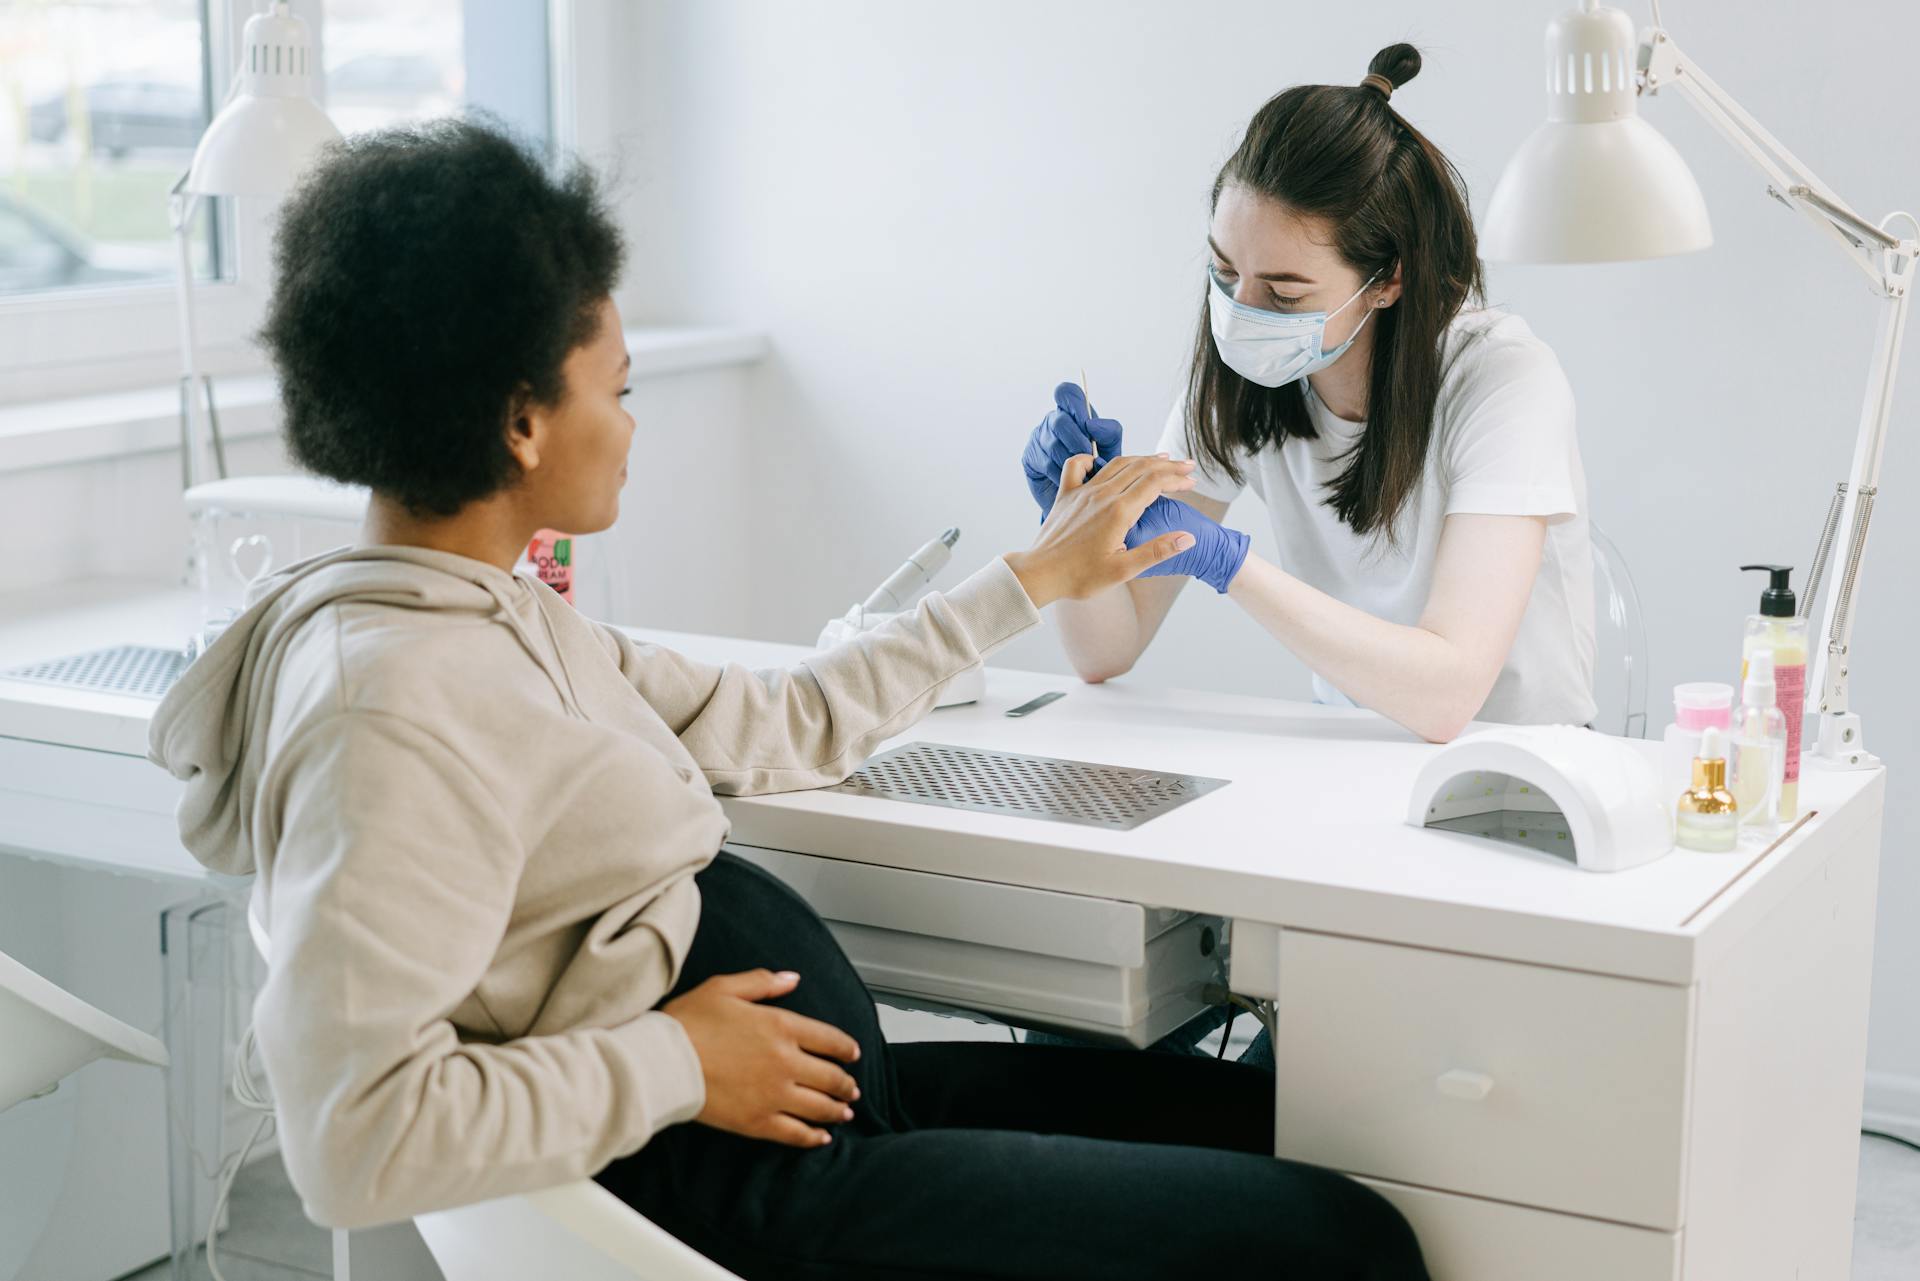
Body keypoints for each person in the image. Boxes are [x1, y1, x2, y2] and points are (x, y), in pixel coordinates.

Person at [149, 119, 1427, 1281]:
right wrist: (682, 1061)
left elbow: (777, 723)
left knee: (1274, 1124)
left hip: (804, 1109)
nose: (636, 425)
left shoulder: (490, 609)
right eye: (620, 388)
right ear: (521, 422)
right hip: (746, 1183)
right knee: (1349, 1245)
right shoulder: (389, 709)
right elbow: (350, 1139)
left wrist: (1031, 578)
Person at [1022, 46, 1596, 1068]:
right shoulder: (1243, 380)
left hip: (1510, 800)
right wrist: (1075, 531)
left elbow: (1447, 696)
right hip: (1352, 783)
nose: (1243, 309)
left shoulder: (1504, 381)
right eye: (1222, 270)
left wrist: (1229, 563)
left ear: (1386, 281)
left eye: (1284, 290)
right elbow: (1105, 654)